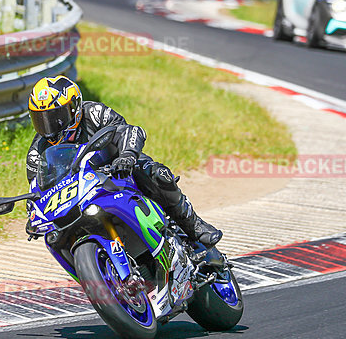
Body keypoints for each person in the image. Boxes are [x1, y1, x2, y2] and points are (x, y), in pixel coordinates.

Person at [25, 75, 222, 247]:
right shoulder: (37, 151)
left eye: (56, 117)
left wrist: (127, 155)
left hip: (117, 168)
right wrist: (33, 216)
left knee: (158, 175)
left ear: (75, 107)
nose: (50, 128)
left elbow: (129, 130)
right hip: (79, 194)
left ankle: (193, 225)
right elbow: (37, 190)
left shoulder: (93, 113)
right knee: (54, 236)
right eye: (41, 120)